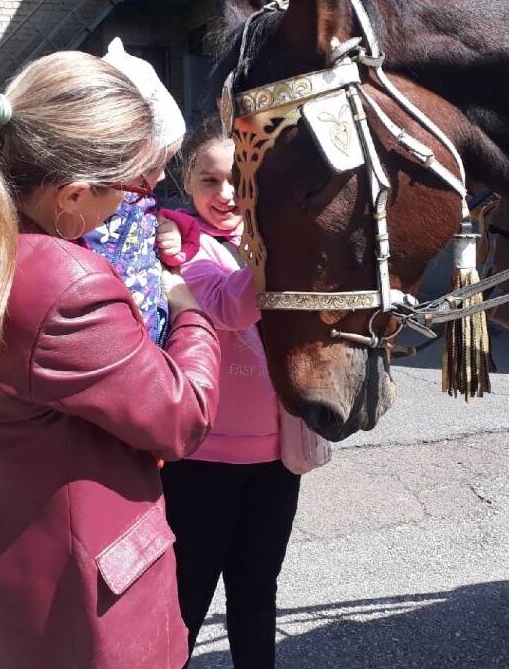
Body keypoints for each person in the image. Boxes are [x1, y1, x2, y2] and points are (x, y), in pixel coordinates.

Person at [0, 49, 221, 669]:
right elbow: (184, 416)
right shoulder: (66, 283)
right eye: (130, 187)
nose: (140, 199)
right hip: (76, 602)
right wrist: (190, 305)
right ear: (71, 194)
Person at [155, 120, 331, 669]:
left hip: (275, 460)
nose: (225, 194)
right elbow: (232, 306)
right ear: (189, 183)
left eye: (238, 180)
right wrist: (282, 240)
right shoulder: (187, 245)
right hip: (201, 459)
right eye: (209, 181)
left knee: (257, 593)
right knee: (188, 596)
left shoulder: (260, 241)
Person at [0, 38, 185, 346]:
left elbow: (162, 223)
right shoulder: (88, 189)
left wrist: (176, 231)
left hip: (148, 332)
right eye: (152, 167)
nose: (161, 177)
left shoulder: (122, 193)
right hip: (104, 338)